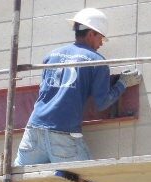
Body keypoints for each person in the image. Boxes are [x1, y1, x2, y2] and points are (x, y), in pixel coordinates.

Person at [14, 8, 141, 166]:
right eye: (100, 37)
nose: (101, 43)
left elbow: (45, 92)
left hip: (33, 131)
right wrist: (123, 83)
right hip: (63, 136)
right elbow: (102, 102)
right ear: (91, 34)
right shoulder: (96, 61)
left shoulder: (51, 56)